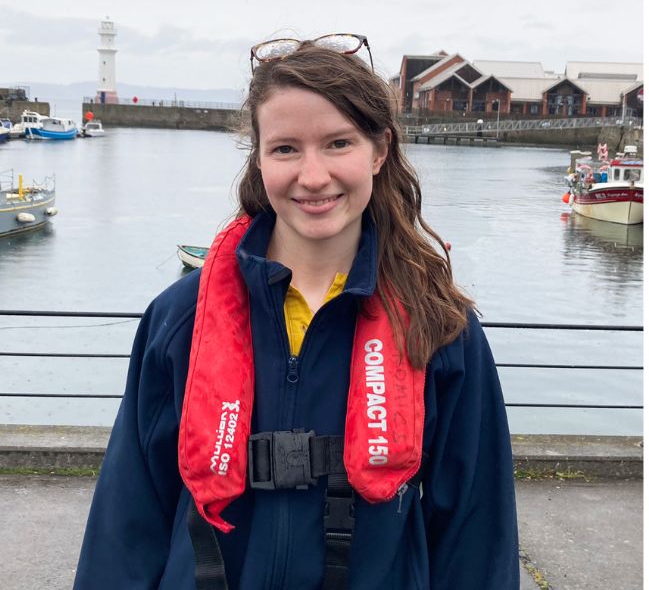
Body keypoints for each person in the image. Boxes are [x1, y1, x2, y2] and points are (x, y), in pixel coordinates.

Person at [74, 37, 518, 590]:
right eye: (285, 148)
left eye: (337, 144)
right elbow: (126, 518)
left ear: (379, 151)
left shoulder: (439, 327)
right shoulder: (178, 319)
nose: (312, 176)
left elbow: (476, 531)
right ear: (258, 160)